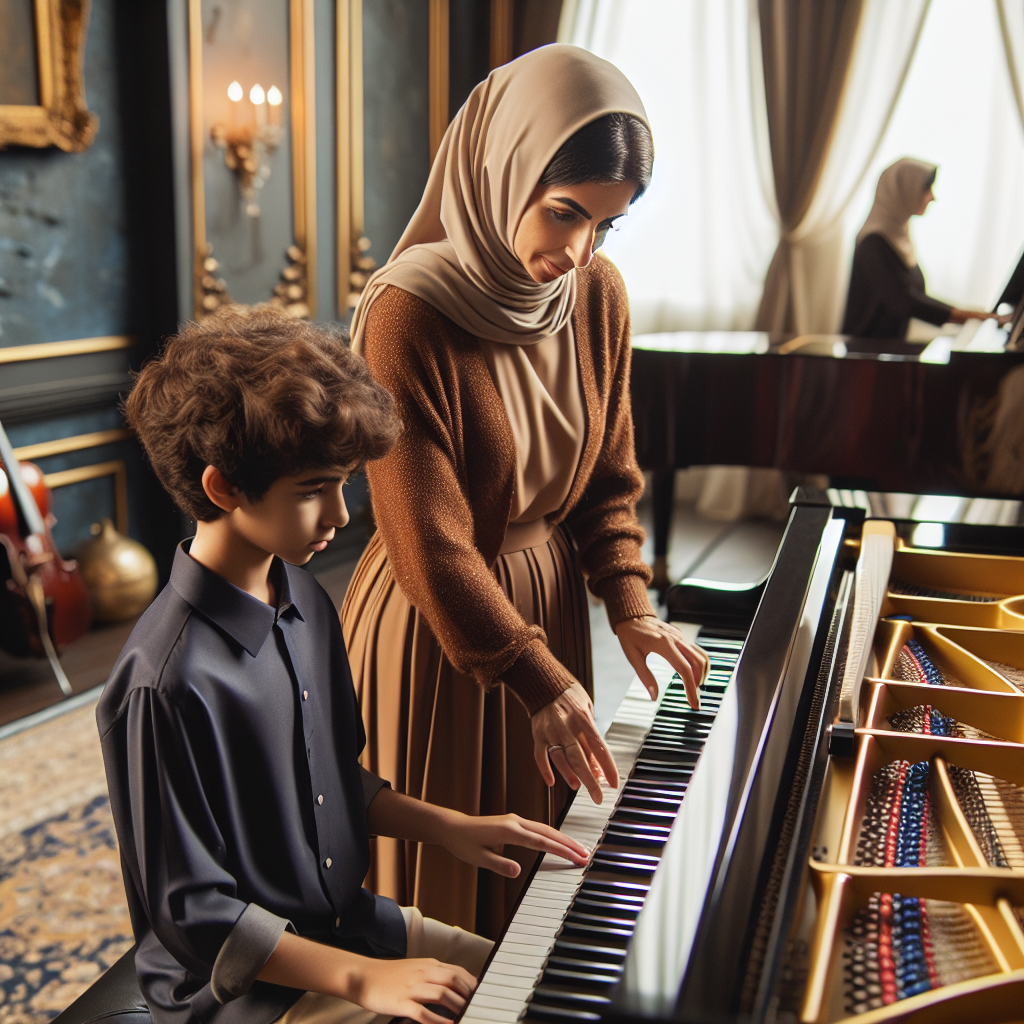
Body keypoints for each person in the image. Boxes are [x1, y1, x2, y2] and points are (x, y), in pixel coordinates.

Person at [99, 307, 589, 1024]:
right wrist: (363, 983)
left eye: (345, 482)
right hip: (243, 992)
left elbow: (330, 788)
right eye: (313, 489)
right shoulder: (161, 684)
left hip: (348, 927)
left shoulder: (304, 597)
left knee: (550, 990)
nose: (341, 513)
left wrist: (451, 826)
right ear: (223, 488)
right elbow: (196, 914)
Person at [341, 43, 708, 939]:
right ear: (500, 170)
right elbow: (430, 542)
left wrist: (627, 603)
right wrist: (533, 674)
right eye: (564, 213)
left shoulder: (596, 296)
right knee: (438, 892)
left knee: (536, 882)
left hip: (544, 608)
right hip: (439, 622)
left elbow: (609, 481)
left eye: (607, 226)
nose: (578, 251)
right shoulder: (406, 316)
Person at [842, 158, 1006, 339]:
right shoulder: (873, 243)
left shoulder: (898, 239)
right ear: (902, 190)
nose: (932, 197)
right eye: (925, 188)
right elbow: (906, 302)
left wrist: (972, 315)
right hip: (863, 357)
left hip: (887, 351)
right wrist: (972, 316)